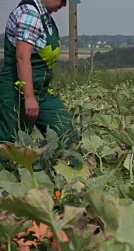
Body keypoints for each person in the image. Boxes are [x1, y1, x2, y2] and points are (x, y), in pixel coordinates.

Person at [0, 0, 81, 149]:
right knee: (11, 145)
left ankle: (67, 169)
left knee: (66, 135)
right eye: (63, 0)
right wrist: (29, 97)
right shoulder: (30, 15)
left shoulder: (44, 16)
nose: (64, 5)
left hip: (41, 92)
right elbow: (22, 57)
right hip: (17, 92)